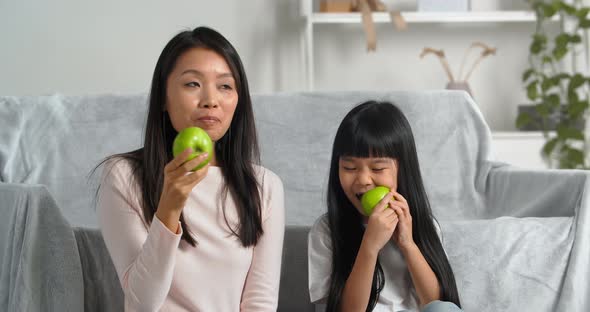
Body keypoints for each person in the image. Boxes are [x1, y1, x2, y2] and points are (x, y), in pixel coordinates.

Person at [96, 26, 284, 311]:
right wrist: (169, 205)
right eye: (192, 84)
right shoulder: (123, 176)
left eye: (225, 86)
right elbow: (141, 303)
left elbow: (260, 303)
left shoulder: (264, 186)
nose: (211, 100)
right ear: (163, 97)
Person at [308, 100, 462, 312]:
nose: (363, 179)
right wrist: (369, 246)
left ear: (402, 169)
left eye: (378, 168)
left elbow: (437, 302)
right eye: (349, 167)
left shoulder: (422, 224)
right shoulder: (326, 231)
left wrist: (408, 244)